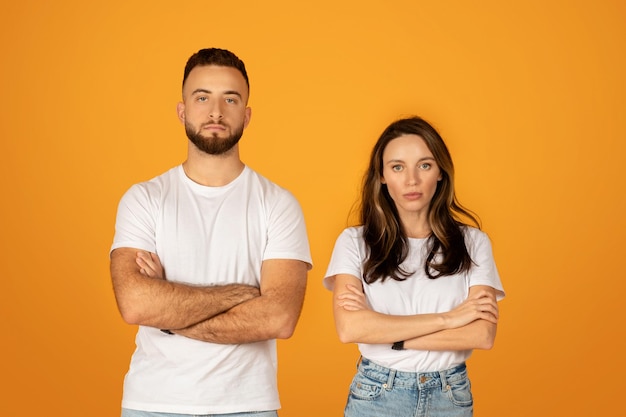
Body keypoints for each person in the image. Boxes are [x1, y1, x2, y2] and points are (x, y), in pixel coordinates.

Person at [110, 48, 312, 417]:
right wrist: (242, 295)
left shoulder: (279, 204)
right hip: (153, 403)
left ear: (246, 115)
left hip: (248, 406)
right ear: (182, 110)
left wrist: (169, 314)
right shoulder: (144, 199)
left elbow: (279, 318)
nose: (215, 111)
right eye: (202, 97)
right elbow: (136, 304)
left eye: (230, 99)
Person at [324, 116, 505, 417]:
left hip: (450, 395)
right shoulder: (354, 242)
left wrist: (390, 335)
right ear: (381, 176)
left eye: (424, 165)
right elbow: (350, 328)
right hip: (377, 393)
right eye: (397, 167)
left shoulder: (473, 243)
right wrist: (450, 319)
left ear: (440, 173)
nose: (411, 180)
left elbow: (481, 334)